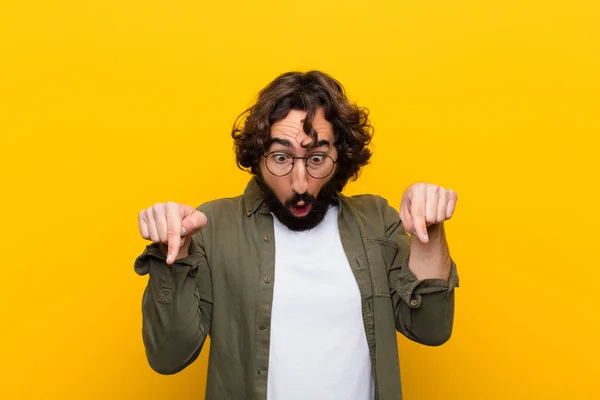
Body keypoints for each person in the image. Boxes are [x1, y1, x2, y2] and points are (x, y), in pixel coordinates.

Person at [134, 70, 460, 400]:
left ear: (340, 156)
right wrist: (171, 252)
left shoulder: (376, 220)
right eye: (281, 158)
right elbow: (168, 357)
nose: (300, 184)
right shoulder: (213, 226)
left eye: (317, 158)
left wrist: (429, 229)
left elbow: (431, 328)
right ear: (257, 157)